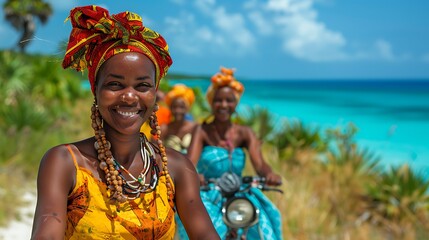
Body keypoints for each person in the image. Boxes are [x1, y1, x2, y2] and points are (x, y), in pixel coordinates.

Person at [31, 5, 219, 240]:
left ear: (154, 94)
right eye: (115, 85)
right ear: (96, 91)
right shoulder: (65, 163)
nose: (129, 97)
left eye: (142, 86)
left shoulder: (177, 168)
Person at [177, 67, 283, 239]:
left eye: (229, 100)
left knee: (266, 222)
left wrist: (269, 174)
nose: (224, 105)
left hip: (239, 192)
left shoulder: (245, 133)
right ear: (211, 102)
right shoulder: (202, 131)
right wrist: (195, 176)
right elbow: (189, 164)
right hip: (208, 192)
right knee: (205, 230)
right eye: (218, 100)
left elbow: (260, 164)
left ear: (236, 104)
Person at [161, 84, 197, 154]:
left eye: (181, 107)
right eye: (174, 107)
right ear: (170, 108)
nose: (178, 110)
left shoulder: (195, 128)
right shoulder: (164, 129)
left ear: (187, 108)